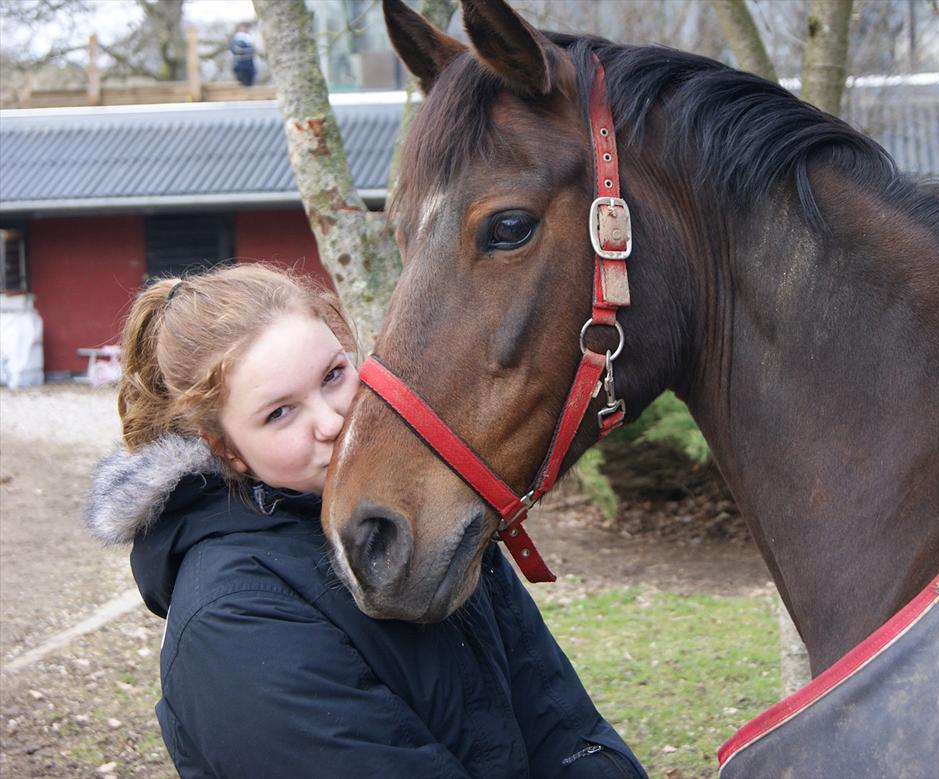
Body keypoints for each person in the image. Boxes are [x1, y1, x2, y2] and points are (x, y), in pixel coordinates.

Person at [86, 264, 646, 778]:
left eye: (333, 375)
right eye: (279, 413)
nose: (333, 419)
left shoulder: (413, 515)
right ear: (226, 449)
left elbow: (567, 731)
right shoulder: (231, 620)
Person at [229, 23, 256, 87]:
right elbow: (237, 50)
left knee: (249, 83)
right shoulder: (237, 39)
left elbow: (252, 51)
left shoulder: (250, 39)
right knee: (242, 83)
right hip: (240, 65)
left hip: (249, 65)